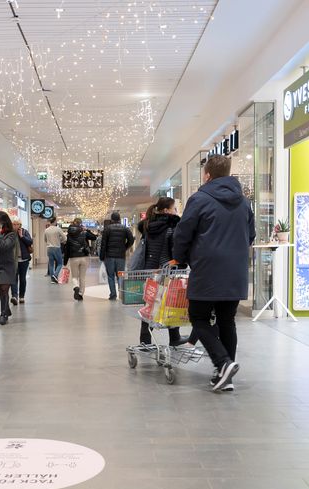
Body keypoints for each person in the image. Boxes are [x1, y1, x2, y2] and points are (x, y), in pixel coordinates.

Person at [173, 154, 255, 392]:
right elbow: (250, 236)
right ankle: (224, 374)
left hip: (208, 268)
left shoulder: (199, 199)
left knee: (198, 317)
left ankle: (223, 363)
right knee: (227, 320)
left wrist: (181, 258)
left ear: (207, 174)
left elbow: (183, 232)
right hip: (236, 270)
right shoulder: (244, 202)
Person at [138, 197, 189, 347]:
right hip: (168, 271)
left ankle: (145, 340)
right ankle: (174, 338)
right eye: (174, 209)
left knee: (150, 304)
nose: (176, 212)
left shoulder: (149, 225)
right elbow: (177, 248)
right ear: (166, 210)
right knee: (172, 303)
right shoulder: (171, 227)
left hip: (152, 270)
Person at [99, 212, 134, 300]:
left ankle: (113, 295)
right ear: (119, 219)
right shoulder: (125, 228)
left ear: (111, 219)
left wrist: (102, 256)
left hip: (109, 256)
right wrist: (125, 247)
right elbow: (131, 240)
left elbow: (103, 244)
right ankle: (121, 294)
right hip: (120, 256)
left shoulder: (107, 229)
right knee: (120, 275)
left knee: (110, 276)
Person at [63, 218, 97, 301]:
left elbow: (67, 249)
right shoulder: (84, 232)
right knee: (82, 277)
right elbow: (94, 237)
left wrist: (65, 261)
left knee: (74, 277)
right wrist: (87, 230)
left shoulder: (69, 234)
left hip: (73, 257)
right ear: (80, 224)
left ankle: (76, 287)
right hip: (84, 257)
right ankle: (81, 294)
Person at [10, 218, 33, 305]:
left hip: (24, 260)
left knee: (22, 279)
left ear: (20, 224)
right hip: (13, 260)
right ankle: (14, 296)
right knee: (13, 278)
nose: (15, 226)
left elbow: (30, 242)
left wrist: (22, 236)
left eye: (17, 224)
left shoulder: (24, 232)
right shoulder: (10, 233)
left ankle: (22, 296)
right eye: (14, 224)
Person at [44, 217, 66, 283]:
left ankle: (52, 279)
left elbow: (45, 239)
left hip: (49, 248)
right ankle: (55, 275)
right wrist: (60, 241)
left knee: (51, 264)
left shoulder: (46, 230)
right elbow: (65, 238)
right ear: (55, 221)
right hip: (56, 247)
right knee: (60, 263)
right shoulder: (58, 229)